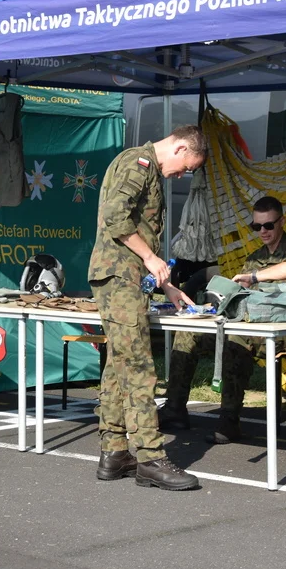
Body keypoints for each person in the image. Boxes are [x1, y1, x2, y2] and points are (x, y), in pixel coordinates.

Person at [88, 125, 207, 491]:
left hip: (126, 277)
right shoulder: (139, 164)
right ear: (180, 147)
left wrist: (168, 286)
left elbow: (136, 230)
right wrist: (153, 257)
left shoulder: (146, 168)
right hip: (119, 277)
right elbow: (116, 218)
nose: (183, 175)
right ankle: (151, 458)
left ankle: (114, 452)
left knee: (119, 364)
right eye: (187, 166)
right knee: (139, 366)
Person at [158, 196, 286, 444]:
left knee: (234, 340)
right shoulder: (255, 258)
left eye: (268, 225)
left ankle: (229, 420)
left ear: (282, 222)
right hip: (251, 324)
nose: (263, 232)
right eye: (257, 227)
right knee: (188, 332)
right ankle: (175, 408)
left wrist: (254, 277)